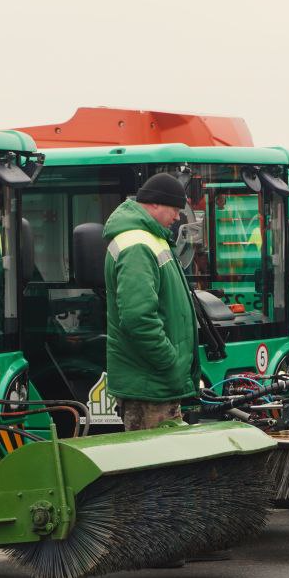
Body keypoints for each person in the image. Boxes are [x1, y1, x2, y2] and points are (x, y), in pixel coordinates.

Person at [103, 173, 200, 431]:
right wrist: (171, 362)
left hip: (155, 383)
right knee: (157, 466)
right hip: (150, 386)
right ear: (155, 203)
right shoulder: (137, 245)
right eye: (175, 209)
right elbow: (138, 319)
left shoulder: (151, 237)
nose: (178, 216)